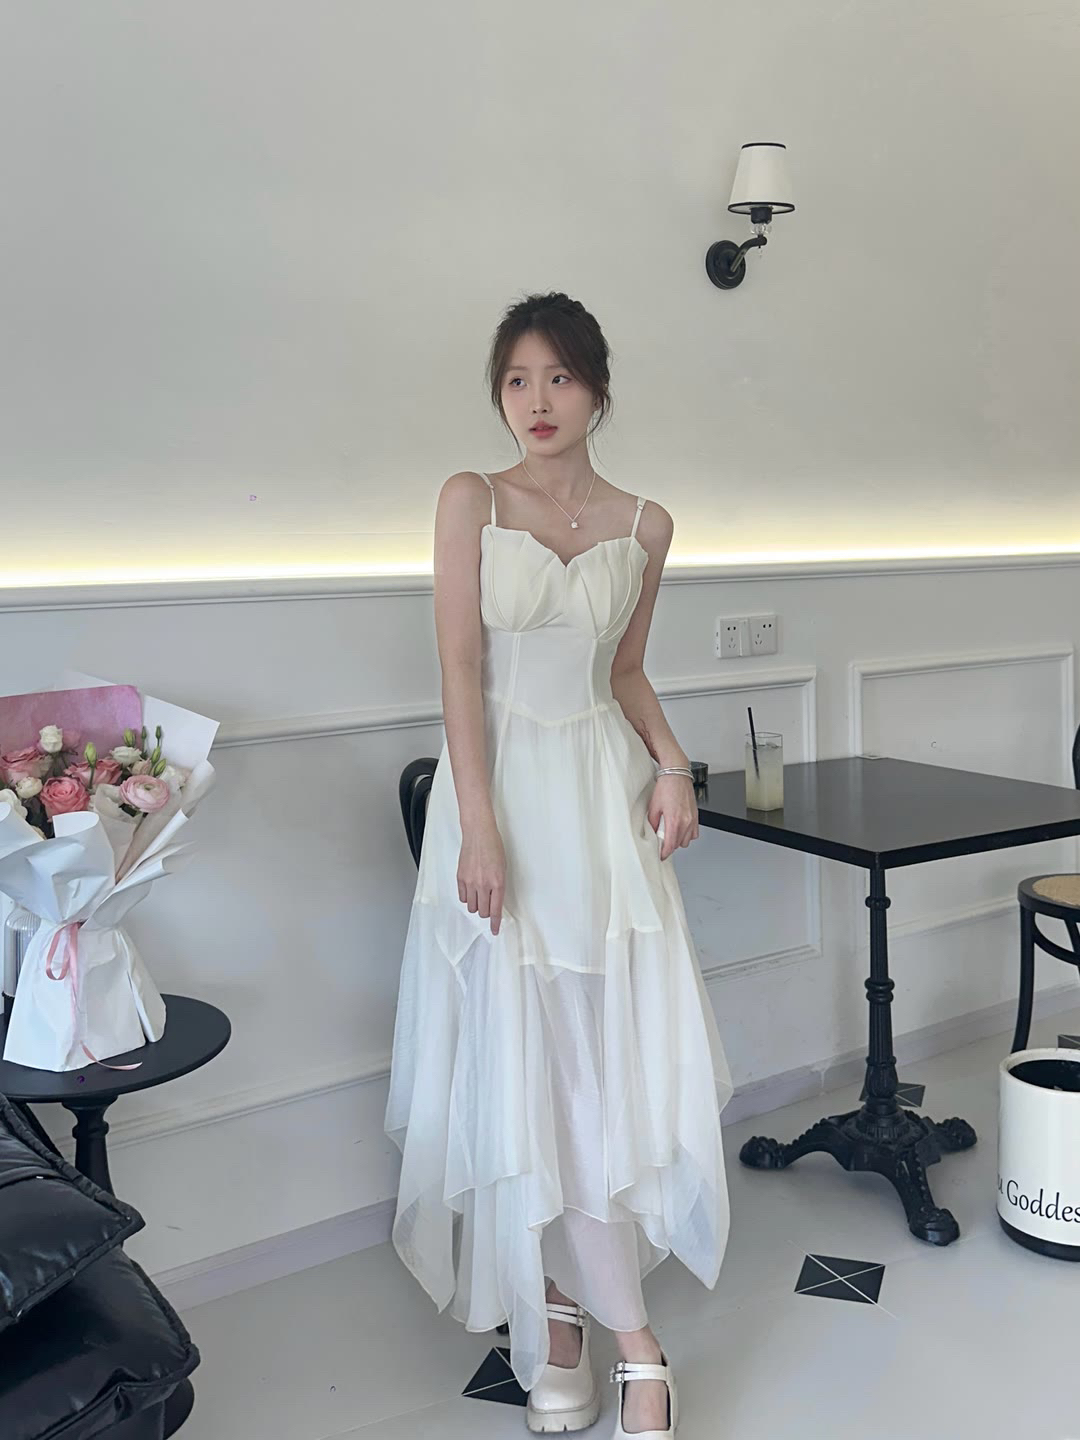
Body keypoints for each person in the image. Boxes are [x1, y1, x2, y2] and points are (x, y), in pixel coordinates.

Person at [384, 292, 732, 1438]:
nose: (536, 401)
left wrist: (673, 765)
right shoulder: (470, 500)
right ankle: (596, 1329)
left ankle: (593, 1320)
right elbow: (457, 669)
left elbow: (626, 671)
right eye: (517, 379)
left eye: (559, 378)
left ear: (597, 387)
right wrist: (477, 827)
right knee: (518, 1059)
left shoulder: (647, 525)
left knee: (593, 1065)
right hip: (501, 802)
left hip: (598, 803)